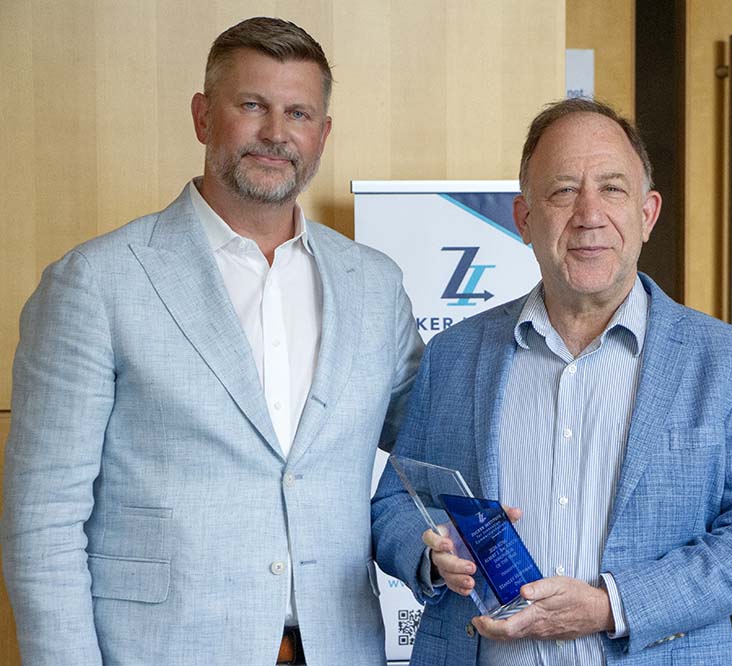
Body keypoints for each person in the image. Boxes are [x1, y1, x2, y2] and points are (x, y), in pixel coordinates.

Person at [2, 17, 422, 666]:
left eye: (299, 113)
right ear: (202, 117)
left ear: (323, 134)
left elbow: (426, 455)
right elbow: (43, 526)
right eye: (251, 105)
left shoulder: (374, 286)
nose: (276, 134)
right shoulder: (94, 285)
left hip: (341, 648)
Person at [371, 97, 732, 665]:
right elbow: (396, 502)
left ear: (647, 214)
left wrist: (609, 605)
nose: (589, 214)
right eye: (564, 190)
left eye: (613, 189)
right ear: (524, 220)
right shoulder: (454, 355)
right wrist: (429, 553)